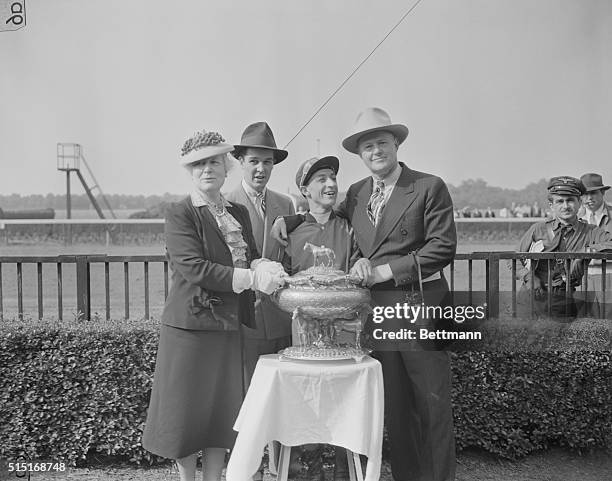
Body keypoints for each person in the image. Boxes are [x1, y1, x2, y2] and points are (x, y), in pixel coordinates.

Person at [273, 107, 457, 481]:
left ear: (397, 144)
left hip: (420, 303)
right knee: (397, 404)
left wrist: (383, 271)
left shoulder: (428, 186)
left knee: (432, 402)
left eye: (382, 143)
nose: (376, 151)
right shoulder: (356, 193)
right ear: (360, 154)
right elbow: (324, 212)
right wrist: (290, 220)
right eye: (367, 146)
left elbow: (443, 247)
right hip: (380, 311)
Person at [142, 129, 286, 481]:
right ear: (190, 172)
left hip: (227, 327)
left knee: (221, 415)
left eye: (214, 163)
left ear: (226, 169)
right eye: (199, 164)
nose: (207, 170)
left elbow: (248, 256)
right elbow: (193, 267)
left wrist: (263, 266)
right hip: (190, 330)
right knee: (187, 417)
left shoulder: (236, 210)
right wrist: (250, 279)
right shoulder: (180, 214)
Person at [225, 121, 295, 381]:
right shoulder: (225, 204)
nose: (261, 169)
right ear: (240, 161)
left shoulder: (285, 203)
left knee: (281, 391)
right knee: (248, 395)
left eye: (267, 162)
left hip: (280, 316)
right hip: (244, 319)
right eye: (254, 161)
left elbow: (290, 257)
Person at [516, 176, 612, 319]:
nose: (565, 206)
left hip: (563, 300)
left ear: (580, 203)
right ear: (551, 205)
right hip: (531, 297)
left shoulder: (590, 231)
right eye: (560, 201)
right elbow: (515, 260)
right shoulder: (538, 229)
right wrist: (529, 277)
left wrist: (586, 253)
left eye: (570, 200)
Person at [579, 173, 612, 318]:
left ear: (603, 192)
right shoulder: (573, 217)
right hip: (582, 278)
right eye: (584, 194)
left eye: (593, 193)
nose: (588, 198)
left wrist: (592, 249)